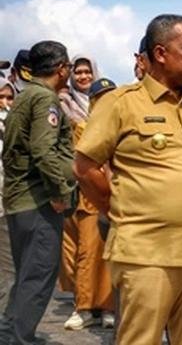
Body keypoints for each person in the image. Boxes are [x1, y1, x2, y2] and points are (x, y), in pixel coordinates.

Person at [73, 14, 182, 344]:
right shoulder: (121, 103)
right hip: (148, 252)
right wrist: (118, 211)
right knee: (140, 339)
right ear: (160, 53)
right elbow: (85, 166)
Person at [0, 41, 76, 345]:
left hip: (20, 199)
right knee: (40, 274)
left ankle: (10, 333)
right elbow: (44, 150)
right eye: (69, 67)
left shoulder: (24, 96)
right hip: (39, 199)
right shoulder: (46, 100)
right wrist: (59, 191)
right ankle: (20, 338)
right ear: (61, 69)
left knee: (27, 273)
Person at [63, 78, 117, 331]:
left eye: (110, 95)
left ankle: (108, 307)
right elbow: (85, 163)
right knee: (87, 254)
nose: (105, 101)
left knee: (111, 256)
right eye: (99, 97)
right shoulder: (85, 127)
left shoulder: (123, 125)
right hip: (91, 200)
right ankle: (83, 307)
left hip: (120, 199)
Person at [57, 55, 100, 301]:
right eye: (79, 72)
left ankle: (98, 301)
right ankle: (82, 299)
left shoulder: (106, 99)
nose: (83, 76)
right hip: (74, 182)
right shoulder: (64, 102)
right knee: (76, 246)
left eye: (87, 72)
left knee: (96, 246)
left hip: (100, 180)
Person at [0, 77, 17, 316]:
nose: (4, 103)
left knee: (10, 273)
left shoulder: (16, 127)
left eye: (9, 97)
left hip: (7, 208)